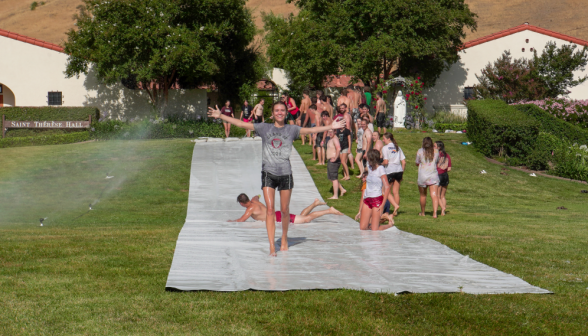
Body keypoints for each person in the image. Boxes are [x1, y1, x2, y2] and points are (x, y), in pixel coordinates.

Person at [208, 101, 346, 256]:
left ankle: (284, 239)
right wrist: (221, 116)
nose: (279, 113)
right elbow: (241, 124)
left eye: (282, 110)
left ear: (286, 113)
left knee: (285, 210)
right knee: (270, 210)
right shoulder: (264, 127)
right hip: (268, 173)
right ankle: (272, 246)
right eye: (276, 110)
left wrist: (330, 127)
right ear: (272, 113)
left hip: (285, 174)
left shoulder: (292, 129)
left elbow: (309, 130)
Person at [229, 194, 343, 224]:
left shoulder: (250, 209)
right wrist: (257, 195)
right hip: (277, 215)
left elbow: (241, 220)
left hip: (279, 218)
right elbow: (256, 196)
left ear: (242, 203)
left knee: (306, 219)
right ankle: (315, 203)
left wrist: (231, 221)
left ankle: (329, 210)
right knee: (302, 216)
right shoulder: (255, 201)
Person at [358, 149, 393, 231]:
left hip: (377, 200)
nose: (367, 159)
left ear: (372, 159)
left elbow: (387, 187)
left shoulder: (380, 169)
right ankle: (382, 219)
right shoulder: (369, 167)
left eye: (368, 158)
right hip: (367, 199)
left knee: (375, 229)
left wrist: (382, 205)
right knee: (363, 227)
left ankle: (389, 225)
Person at [382, 133, 406, 216]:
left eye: (384, 138)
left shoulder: (385, 148)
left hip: (390, 171)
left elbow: (386, 162)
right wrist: (402, 172)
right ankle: (395, 212)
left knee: (386, 191)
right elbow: (403, 162)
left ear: (388, 139)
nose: (383, 140)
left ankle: (394, 206)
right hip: (399, 171)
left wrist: (379, 164)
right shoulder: (397, 147)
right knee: (396, 192)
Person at [416, 137, 440, 218]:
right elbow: (437, 161)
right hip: (433, 175)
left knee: (423, 195)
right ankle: (435, 213)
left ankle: (423, 212)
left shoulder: (420, 151)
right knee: (434, 195)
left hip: (423, 175)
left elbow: (417, 162)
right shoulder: (436, 151)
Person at [326, 129, 347, 199]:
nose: (330, 133)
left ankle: (335, 196)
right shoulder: (330, 139)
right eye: (329, 132)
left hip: (334, 161)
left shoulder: (335, 139)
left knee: (334, 178)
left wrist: (335, 158)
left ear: (335, 132)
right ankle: (342, 189)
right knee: (331, 178)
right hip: (330, 160)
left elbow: (338, 148)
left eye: (331, 132)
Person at [435, 140, 452, 216]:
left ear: (439, 147)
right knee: (443, 196)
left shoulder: (436, 155)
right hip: (445, 176)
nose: (433, 147)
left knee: (437, 195)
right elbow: (449, 168)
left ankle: (442, 208)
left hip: (438, 175)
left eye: (434, 146)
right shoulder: (447, 155)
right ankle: (443, 211)